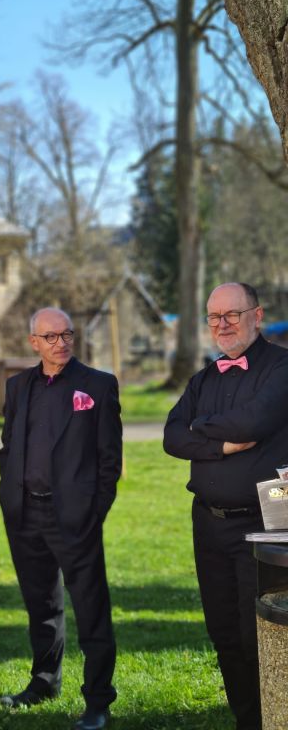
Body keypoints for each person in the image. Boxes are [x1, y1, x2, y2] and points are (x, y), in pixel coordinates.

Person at [164, 282, 288, 730]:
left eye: (231, 314)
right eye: (214, 316)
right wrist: (221, 445)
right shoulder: (204, 378)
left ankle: (275, 718)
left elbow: (253, 422)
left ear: (257, 315)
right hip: (209, 525)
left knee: (260, 636)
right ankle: (247, 721)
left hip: (263, 524)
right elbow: (171, 437)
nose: (222, 324)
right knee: (224, 634)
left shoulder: (281, 368)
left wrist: (198, 427)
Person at [0, 307, 122, 730]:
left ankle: (98, 700)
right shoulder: (18, 387)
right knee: (41, 605)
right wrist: (9, 493)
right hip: (24, 512)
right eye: (50, 337)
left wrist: (93, 511)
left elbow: (109, 460)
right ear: (34, 342)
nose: (61, 343)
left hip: (74, 516)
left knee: (91, 608)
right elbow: (8, 447)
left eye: (67, 334)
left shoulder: (98, 385)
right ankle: (44, 681)